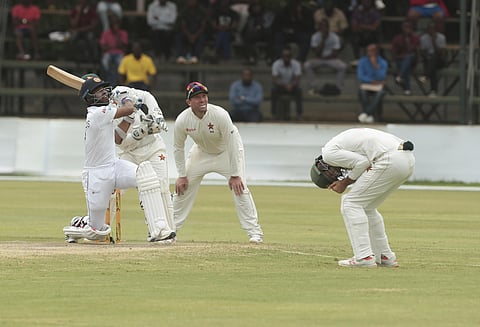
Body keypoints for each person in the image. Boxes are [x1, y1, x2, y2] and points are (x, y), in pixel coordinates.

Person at [63, 77, 176, 243]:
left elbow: (118, 136)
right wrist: (126, 99)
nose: (104, 93)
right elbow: (128, 108)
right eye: (99, 91)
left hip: (114, 166)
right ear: (89, 98)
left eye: (104, 90)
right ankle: (78, 225)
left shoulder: (106, 112)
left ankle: (159, 229)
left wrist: (130, 118)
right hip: (96, 175)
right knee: (97, 231)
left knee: (146, 175)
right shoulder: (97, 113)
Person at [172, 81, 264, 243]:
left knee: (240, 188)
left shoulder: (220, 114)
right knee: (182, 189)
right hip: (201, 153)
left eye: (204, 96)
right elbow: (178, 148)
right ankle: (170, 231)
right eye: (197, 98)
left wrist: (235, 174)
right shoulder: (182, 120)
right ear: (189, 102)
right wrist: (181, 175)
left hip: (227, 153)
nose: (202, 100)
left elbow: (232, 143)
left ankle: (254, 233)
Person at [310, 127, 415, 268]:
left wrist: (344, 182)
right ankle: (385, 256)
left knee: (350, 203)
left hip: (389, 159)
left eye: (331, 174)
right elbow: (364, 161)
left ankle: (363, 257)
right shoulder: (339, 142)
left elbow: (363, 163)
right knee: (368, 208)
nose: (335, 174)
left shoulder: (329, 153)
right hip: (407, 159)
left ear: (323, 166)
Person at [303, 19, 347, 94]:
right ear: (319, 28)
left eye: (326, 26)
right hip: (319, 59)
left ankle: (338, 87)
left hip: (331, 59)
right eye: (322, 27)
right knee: (306, 65)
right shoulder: (315, 36)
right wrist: (323, 40)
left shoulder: (334, 37)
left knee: (343, 66)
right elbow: (316, 52)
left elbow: (335, 53)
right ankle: (314, 87)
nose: (324, 28)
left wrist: (325, 58)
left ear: (328, 27)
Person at [357, 43, 388, 123]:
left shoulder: (383, 62)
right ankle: (370, 115)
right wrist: (371, 81)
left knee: (380, 93)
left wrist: (375, 65)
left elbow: (382, 77)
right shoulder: (362, 61)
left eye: (373, 50)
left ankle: (366, 113)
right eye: (369, 50)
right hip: (367, 85)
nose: (371, 52)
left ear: (377, 51)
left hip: (378, 86)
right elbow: (360, 76)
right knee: (362, 92)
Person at [270, 46, 303, 120]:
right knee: (273, 91)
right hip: (281, 86)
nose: (286, 58)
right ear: (282, 57)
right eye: (284, 56)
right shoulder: (276, 64)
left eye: (288, 56)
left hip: (292, 86)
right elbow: (275, 80)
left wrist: (291, 85)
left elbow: (297, 80)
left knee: (299, 91)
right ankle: (273, 114)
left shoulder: (296, 64)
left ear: (291, 56)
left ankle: (299, 114)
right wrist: (285, 85)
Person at [240, 0, 275, 65]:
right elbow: (245, 28)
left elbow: (267, 25)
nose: (256, 8)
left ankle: (269, 58)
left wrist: (261, 27)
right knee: (247, 39)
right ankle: (251, 58)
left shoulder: (265, 15)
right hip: (253, 35)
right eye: (254, 7)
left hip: (264, 34)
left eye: (257, 7)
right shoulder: (250, 17)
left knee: (271, 38)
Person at [174, 0, 208, 64]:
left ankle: (195, 57)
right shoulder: (184, 11)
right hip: (187, 33)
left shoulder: (202, 11)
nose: (191, 2)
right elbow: (183, 26)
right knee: (178, 37)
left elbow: (203, 26)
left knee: (202, 38)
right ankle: (181, 56)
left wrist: (195, 36)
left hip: (198, 33)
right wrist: (189, 36)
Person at [391, 21, 420, 96]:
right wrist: (402, 57)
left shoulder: (415, 38)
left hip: (412, 60)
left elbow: (411, 50)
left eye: (409, 27)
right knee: (405, 65)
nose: (407, 29)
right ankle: (407, 90)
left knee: (409, 56)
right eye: (405, 27)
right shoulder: (397, 38)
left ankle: (400, 76)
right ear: (402, 28)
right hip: (401, 60)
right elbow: (394, 54)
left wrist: (407, 41)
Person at [419, 21, 447, 97]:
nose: (431, 31)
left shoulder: (441, 37)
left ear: (435, 30)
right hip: (429, 61)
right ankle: (433, 91)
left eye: (433, 29)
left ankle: (425, 77)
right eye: (429, 29)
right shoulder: (423, 38)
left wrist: (434, 42)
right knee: (432, 68)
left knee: (434, 58)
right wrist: (427, 56)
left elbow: (442, 54)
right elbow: (422, 52)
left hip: (439, 60)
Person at [99, 16, 128, 86]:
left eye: (116, 24)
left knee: (120, 64)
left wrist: (117, 35)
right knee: (105, 63)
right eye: (113, 24)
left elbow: (124, 46)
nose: (115, 25)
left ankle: (115, 83)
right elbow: (103, 47)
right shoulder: (106, 33)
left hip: (119, 53)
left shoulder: (123, 33)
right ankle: (110, 81)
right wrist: (114, 47)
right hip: (108, 53)